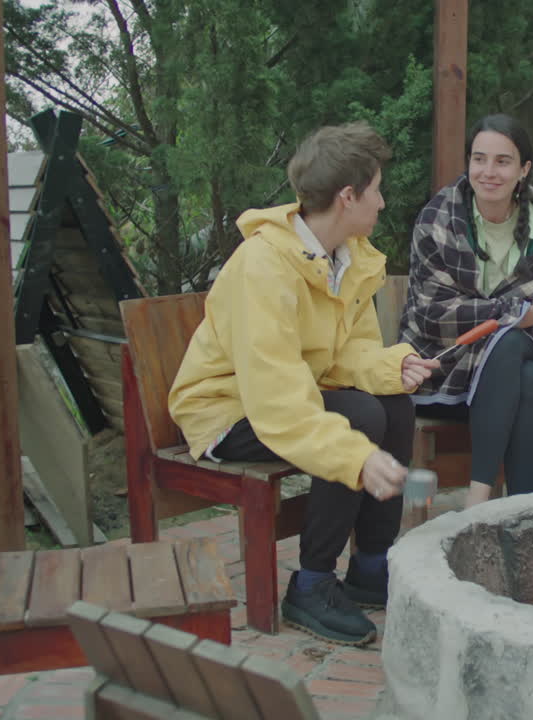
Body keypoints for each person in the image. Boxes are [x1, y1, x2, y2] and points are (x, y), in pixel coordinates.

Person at [168, 122, 440, 646]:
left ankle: (369, 568)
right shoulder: (264, 268)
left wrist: (391, 370)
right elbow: (276, 401)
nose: (382, 203)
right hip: (227, 410)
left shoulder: (349, 259)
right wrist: (354, 457)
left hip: (292, 395)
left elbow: (349, 353)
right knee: (357, 419)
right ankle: (312, 584)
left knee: (394, 405)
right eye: (376, 190)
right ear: (347, 196)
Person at [399, 114, 533, 507]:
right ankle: (508, 509)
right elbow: (436, 317)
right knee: (521, 360)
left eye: (502, 162)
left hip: (503, 375)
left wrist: (529, 316)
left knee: (519, 360)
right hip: (442, 371)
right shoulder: (438, 219)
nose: (488, 172)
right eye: (479, 159)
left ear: (524, 170)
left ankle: (495, 504)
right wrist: (531, 312)